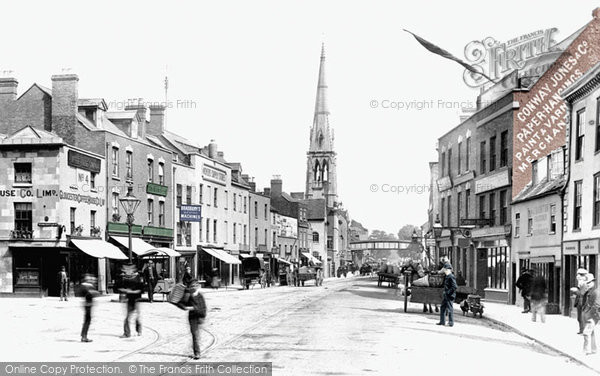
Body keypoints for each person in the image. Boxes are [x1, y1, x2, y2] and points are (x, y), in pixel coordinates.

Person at [180, 280, 207, 360]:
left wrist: (202, 316)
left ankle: (195, 347)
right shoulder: (188, 296)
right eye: (192, 287)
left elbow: (203, 308)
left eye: (195, 286)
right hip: (192, 318)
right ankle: (197, 352)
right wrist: (185, 307)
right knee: (195, 335)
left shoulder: (200, 296)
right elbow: (181, 303)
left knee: (196, 335)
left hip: (200, 317)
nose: (193, 288)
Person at [120, 265, 143, 338]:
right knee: (128, 317)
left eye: (127, 269)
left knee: (136, 316)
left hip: (136, 300)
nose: (126, 271)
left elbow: (141, 290)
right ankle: (127, 333)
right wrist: (124, 291)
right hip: (129, 300)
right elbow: (120, 288)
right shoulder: (125, 279)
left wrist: (131, 292)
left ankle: (138, 330)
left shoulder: (138, 278)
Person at [582, 274, 600, 355]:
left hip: (593, 316)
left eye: (589, 282)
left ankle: (586, 350)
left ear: (593, 282)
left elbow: (596, 305)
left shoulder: (596, 292)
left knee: (586, 332)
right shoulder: (590, 291)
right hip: (589, 315)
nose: (587, 284)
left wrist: (589, 314)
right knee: (591, 333)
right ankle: (594, 350)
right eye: (586, 283)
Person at [79, 274, 98, 343]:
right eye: (89, 279)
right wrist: (93, 292)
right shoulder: (86, 286)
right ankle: (84, 336)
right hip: (88, 304)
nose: (91, 279)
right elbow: (90, 293)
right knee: (87, 321)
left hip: (88, 304)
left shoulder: (87, 286)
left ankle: (83, 335)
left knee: (87, 320)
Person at [574, 268, 590, 334]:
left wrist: (576, 290)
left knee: (582, 318)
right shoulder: (580, 285)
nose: (578, 277)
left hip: (583, 303)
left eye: (579, 276)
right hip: (579, 303)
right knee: (579, 318)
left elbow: (581, 294)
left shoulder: (585, 285)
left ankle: (583, 330)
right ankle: (581, 330)